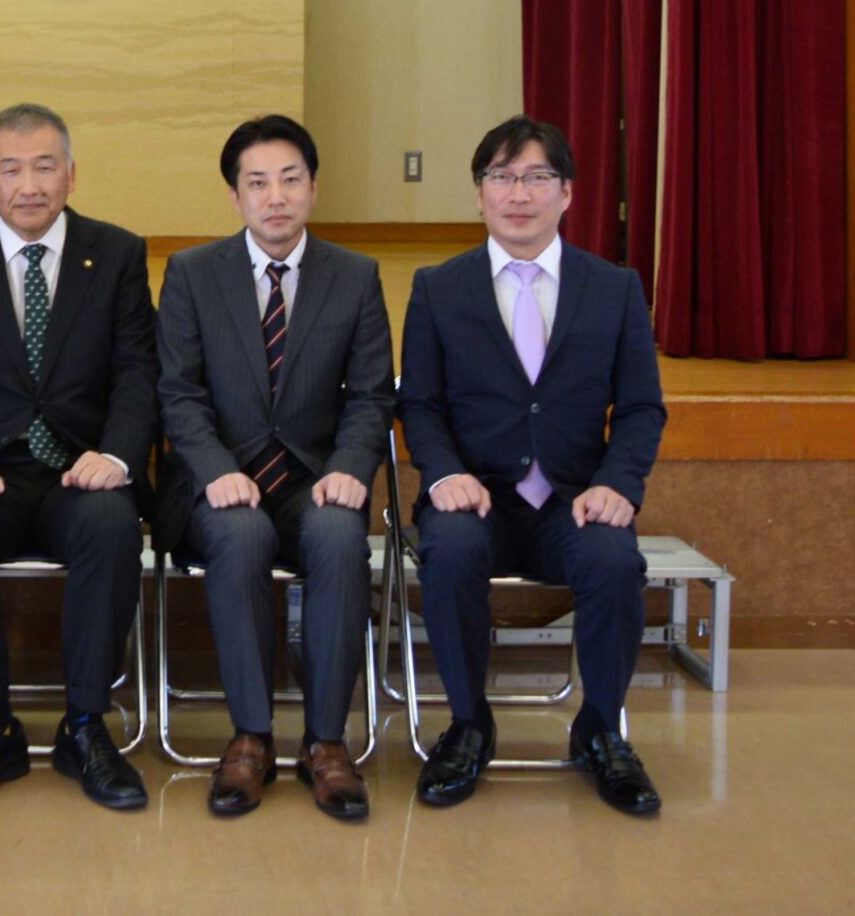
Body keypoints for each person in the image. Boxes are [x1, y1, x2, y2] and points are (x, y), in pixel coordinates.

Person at [398, 115, 668, 816]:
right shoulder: (438, 288)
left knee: (614, 560)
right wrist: (442, 473)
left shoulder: (614, 289)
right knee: (450, 552)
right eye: (502, 177)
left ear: (567, 193)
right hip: (475, 496)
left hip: (572, 499)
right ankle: (468, 725)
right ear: (479, 193)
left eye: (538, 177)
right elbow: (419, 403)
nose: (519, 194)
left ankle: (600, 730)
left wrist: (618, 484)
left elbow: (642, 407)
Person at [0, 103, 157, 813]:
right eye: (11, 169)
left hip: (81, 469)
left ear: (71, 175)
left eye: (45, 167)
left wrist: (117, 455)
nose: (29, 185)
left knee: (111, 525)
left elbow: (138, 373)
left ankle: (86, 725)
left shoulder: (116, 254)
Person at [156, 115, 392, 820]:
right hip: (218, 483)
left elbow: (372, 394)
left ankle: (326, 741)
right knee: (240, 535)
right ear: (236, 197)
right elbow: (178, 392)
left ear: (314, 188)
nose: (276, 196)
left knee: (340, 536)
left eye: (290, 179)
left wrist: (350, 466)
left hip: (314, 478)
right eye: (257, 183)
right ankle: (251, 737)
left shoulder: (355, 276)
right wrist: (213, 469)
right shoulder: (193, 273)